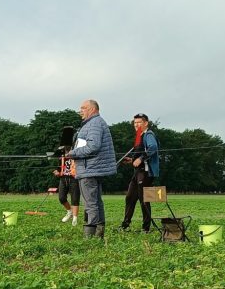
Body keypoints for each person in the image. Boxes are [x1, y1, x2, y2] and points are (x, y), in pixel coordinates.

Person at [67, 99, 117, 238]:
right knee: (96, 201)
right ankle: (99, 233)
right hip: (94, 168)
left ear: (93, 109)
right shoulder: (95, 123)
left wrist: (72, 153)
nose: (80, 111)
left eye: (83, 108)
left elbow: (93, 146)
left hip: (90, 168)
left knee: (90, 203)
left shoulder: (94, 124)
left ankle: (91, 234)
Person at [120, 113, 161, 232]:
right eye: (135, 123)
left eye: (139, 122)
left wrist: (140, 159)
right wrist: (132, 160)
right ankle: (125, 225)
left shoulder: (148, 134)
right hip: (138, 172)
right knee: (130, 197)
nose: (136, 125)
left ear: (146, 123)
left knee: (144, 200)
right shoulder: (139, 136)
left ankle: (146, 228)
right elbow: (140, 152)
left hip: (146, 172)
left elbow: (153, 148)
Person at [53, 153, 79, 226]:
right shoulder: (61, 157)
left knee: (75, 199)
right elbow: (58, 169)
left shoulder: (76, 154)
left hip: (74, 179)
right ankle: (69, 212)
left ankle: (75, 218)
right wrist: (56, 172)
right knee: (61, 198)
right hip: (63, 179)